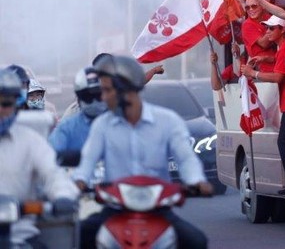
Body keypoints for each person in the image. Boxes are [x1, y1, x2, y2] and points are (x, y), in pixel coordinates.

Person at [73, 55, 212, 249]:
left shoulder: (167, 121)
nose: (102, 97)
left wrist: (197, 181)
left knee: (197, 241)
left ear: (125, 89)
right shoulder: (102, 125)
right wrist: (78, 182)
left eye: (106, 90)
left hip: (158, 209)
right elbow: (87, 161)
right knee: (77, 237)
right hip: (115, 209)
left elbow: (186, 158)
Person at [0, 68, 79, 247]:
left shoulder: (31, 140)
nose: (0, 110)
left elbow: (53, 173)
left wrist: (63, 196)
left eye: (5, 103)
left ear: (15, 104)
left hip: (21, 236)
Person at [240, 16, 285, 195]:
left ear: (282, 30)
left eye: (271, 28)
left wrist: (253, 73)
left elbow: (278, 76)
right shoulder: (283, 46)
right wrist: (264, 59)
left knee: (283, 142)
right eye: (267, 28)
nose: (267, 32)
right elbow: (281, 60)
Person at [48, 67, 107, 153]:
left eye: (98, 96)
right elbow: (51, 153)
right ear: (79, 99)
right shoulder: (68, 127)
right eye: (88, 97)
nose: (94, 101)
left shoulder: (119, 123)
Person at [241, 0, 277, 72]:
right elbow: (264, 43)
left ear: (263, 5)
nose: (250, 9)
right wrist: (276, 25)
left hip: (278, 62)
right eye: (247, 7)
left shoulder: (270, 18)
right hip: (263, 70)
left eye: (254, 6)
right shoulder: (247, 24)